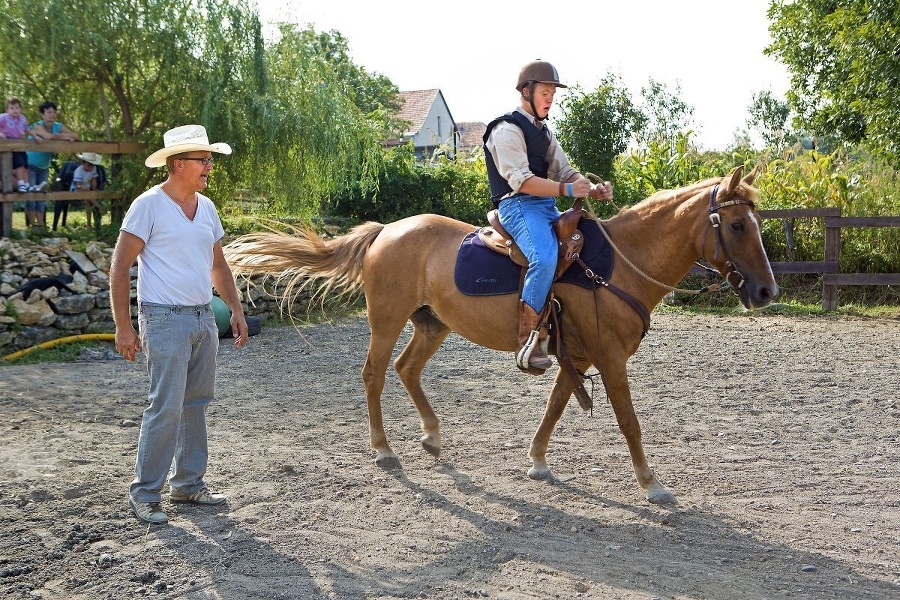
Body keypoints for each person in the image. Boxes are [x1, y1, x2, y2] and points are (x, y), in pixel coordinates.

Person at [109, 124, 249, 525]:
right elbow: (120, 267)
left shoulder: (206, 208)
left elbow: (217, 264)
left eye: (209, 159)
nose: (209, 166)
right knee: (165, 406)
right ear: (177, 164)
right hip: (164, 317)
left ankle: (188, 484)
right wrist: (124, 325)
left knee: (195, 404)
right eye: (202, 160)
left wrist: (235, 311)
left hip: (204, 316)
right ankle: (145, 494)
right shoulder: (148, 206)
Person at [483, 60, 613, 372]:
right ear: (526, 91)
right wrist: (567, 191)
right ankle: (527, 339)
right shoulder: (506, 130)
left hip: (544, 207)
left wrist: (591, 188)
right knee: (543, 258)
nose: (549, 98)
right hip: (517, 206)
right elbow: (522, 180)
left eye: (552, 93)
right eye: (545, 92)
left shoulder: (545, 133)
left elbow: (565, 171)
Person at [25, 101, 79, 228]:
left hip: (43, 167)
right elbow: (48, 136)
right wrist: (64, 136)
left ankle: (41, 226)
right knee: (31, 195)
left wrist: (63, 136)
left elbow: (75, 135)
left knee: (42, 195)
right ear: (42, 114)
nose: (52, 114)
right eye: (49, 112)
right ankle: (33, 225)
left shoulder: (58, 125)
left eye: (54, 112)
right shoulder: (37, 126)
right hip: (30, 165)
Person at [0, 98, 32, 193]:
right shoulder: (3, 117)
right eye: (12, 108)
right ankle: (21, 183)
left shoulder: (22, 119)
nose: (15, 110)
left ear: (20, 109)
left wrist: (35, 135)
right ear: (7, 110)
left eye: (17, 107)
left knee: (25, 165)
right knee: (19, 163)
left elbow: (27, 129)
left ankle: (27, 184)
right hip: (10, 143)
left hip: (20, 143)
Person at [70, 152, 103, 229]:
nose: (91, 167)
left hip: (88, 191)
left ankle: (89, 224)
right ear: (83, 163)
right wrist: (85, 188)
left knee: (87, 200)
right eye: (89, 165)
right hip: (77, 190)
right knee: (86, 195)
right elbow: (77, 185)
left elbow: (94, 180)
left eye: (92, 165)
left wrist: (93, 191)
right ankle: (98, 206)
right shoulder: (78, 171)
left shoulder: (93, 169)